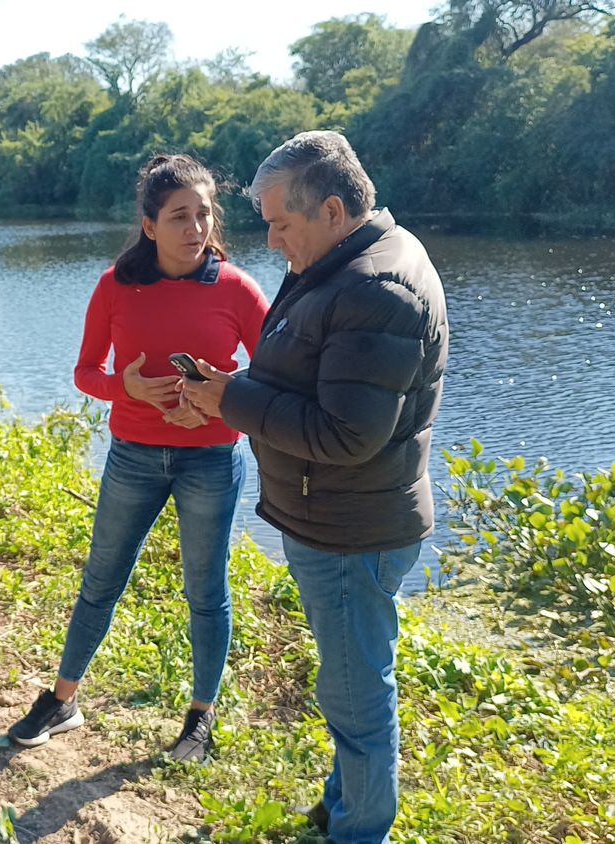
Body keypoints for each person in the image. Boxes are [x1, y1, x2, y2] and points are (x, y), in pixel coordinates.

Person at [183, 131, 449, 844]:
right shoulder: (346, 261)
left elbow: (345, 436)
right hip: (337, 518)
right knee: (348, 682)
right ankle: (343, 807)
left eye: (280, 223)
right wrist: (231, 388)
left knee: (359, 697)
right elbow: (314, 376)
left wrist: (229, 403)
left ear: (331, 210)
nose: (270, 241)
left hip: (352, 530)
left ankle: (359, 831)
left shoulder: (376, 287)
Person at [8, 154, 270, 763]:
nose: (196, 227)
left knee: (206, 591)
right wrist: (123, 388)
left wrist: (216, 402)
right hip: (133, 456)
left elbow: (275, 375)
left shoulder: (237, 289)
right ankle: (63, 700)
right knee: (101, 582)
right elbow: (84, 373)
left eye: (204, 213)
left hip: (210, 458)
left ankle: (201, 718)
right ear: (150, 225)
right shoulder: (114, 286)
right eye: (180, 216)